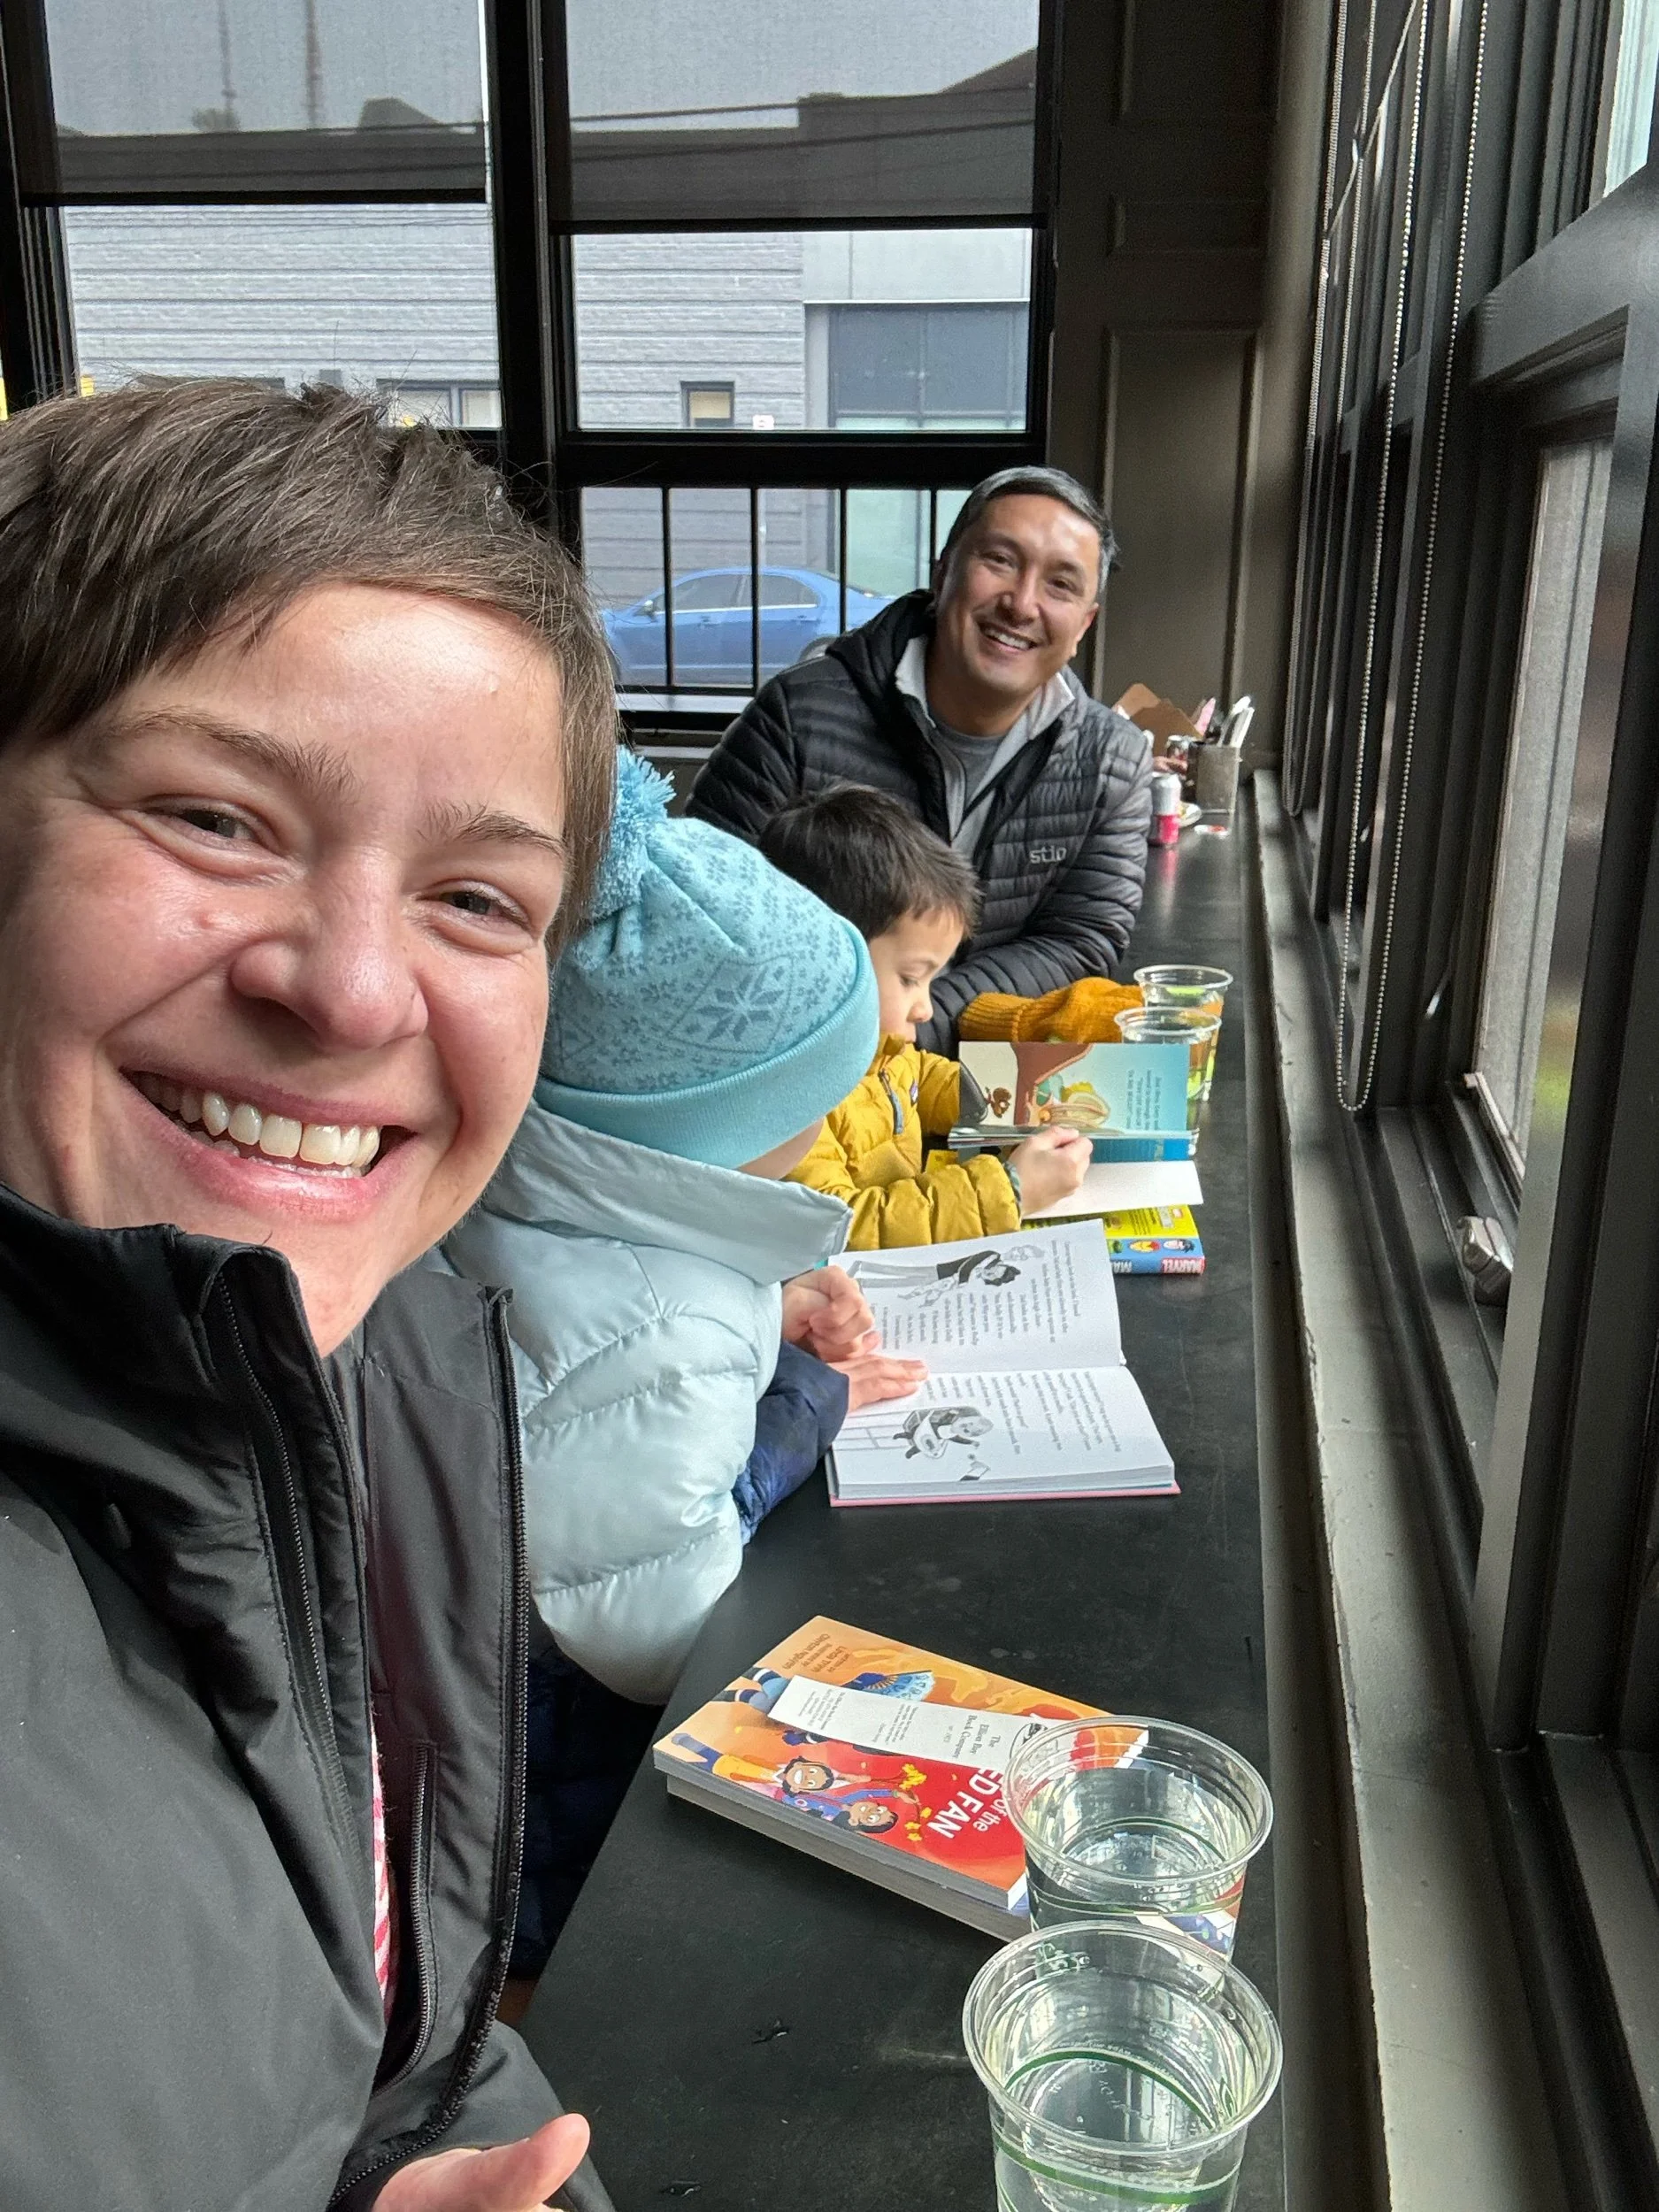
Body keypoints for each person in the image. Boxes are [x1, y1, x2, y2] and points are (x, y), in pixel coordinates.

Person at [0, 380, 618, 2212]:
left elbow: (399, 2041)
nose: (353, 991)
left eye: (478, 900)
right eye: (215, 815)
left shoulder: (367, 1372)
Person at [442, 753, 926, 1937]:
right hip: (558, 1823)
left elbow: (586, 1350)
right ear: (732, 1114)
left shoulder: (531, 1207)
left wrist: (766, 1313)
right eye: (818, 1089)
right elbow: (666, 1627)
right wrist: (801, 1404)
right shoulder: (677, 1327)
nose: (832, 1117)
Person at [687, 465, 1154, 1048]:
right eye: (999, 560)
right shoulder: (797, 718)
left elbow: (1080, 942)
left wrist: (919, 1023)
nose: (1022, 603)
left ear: (1083, 624)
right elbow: (703, 918)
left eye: (1060, 584)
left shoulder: (1111, 761)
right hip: (803, 1082)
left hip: (987, 1088)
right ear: (942, 573)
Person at [758, 783, 1090, 1240]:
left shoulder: (880, 1050)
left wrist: (1023, 1096)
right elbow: (842, 1229)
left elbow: (925, 1082)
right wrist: (1010, 1192)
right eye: (911, 978)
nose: (926, 1007)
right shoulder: (788, 1094)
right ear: (824, 960)